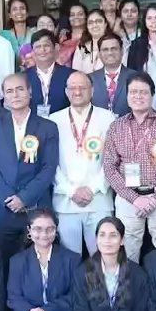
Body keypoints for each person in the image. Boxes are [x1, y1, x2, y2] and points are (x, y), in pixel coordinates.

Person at [0, 73, 59, 260]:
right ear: (4, 97)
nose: (15, 95)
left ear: (30, 92)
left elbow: (49, 167)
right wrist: (9, 197)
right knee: (5, 264)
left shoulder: (47, 127)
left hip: (37, 208)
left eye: (20, 89)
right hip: (4, 209)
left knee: (38, 262)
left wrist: (24, 198)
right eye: (9, 91)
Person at [102, 73, 156, 262]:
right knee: (128, 251)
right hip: (128, 201)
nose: (138, 96)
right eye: (133, 92)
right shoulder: (116, 126)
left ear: (152, 95)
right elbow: (110, 167)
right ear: (127, 96)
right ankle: (130, 289)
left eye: (143, 92)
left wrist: (155, 199)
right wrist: (135, 199)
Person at [50, 72, 115, 255]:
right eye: (72, 88)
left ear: (92, 90)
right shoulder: (53, 120)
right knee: (70, 260)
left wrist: (92, 189)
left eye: (83, 87)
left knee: (103, 257)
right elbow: (50, 163)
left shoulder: (108, 118)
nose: (77, 92)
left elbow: (112, 159)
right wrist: (71, 191)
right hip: (65, 202)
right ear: (66, 92)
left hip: (99, 200)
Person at [25, 29, 71, 117]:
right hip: (32, 127)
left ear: (56, 47)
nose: (42, 50)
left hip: (62, 125)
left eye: (46, 45)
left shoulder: (70, 75)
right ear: (32, 51)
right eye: (38, 47)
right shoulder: (24, 77)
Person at [89, 33, 137, 117]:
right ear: (99, 54)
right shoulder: (89, 79)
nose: (110, 53)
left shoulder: (136, 77)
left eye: (114, 49)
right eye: (105, 49)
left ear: (122, 51)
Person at [126, 3, 156, 73]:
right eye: (149, 18)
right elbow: (131, 71)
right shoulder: (135, 45)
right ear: (144, 21)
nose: (153, 21)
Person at [72, 10, 109, 75]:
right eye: (90, 23)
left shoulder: (114, 44)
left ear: (105, 24)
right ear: (87, 27)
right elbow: (76, 73)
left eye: (99, 21)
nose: (94, 25)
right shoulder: (83, 48)